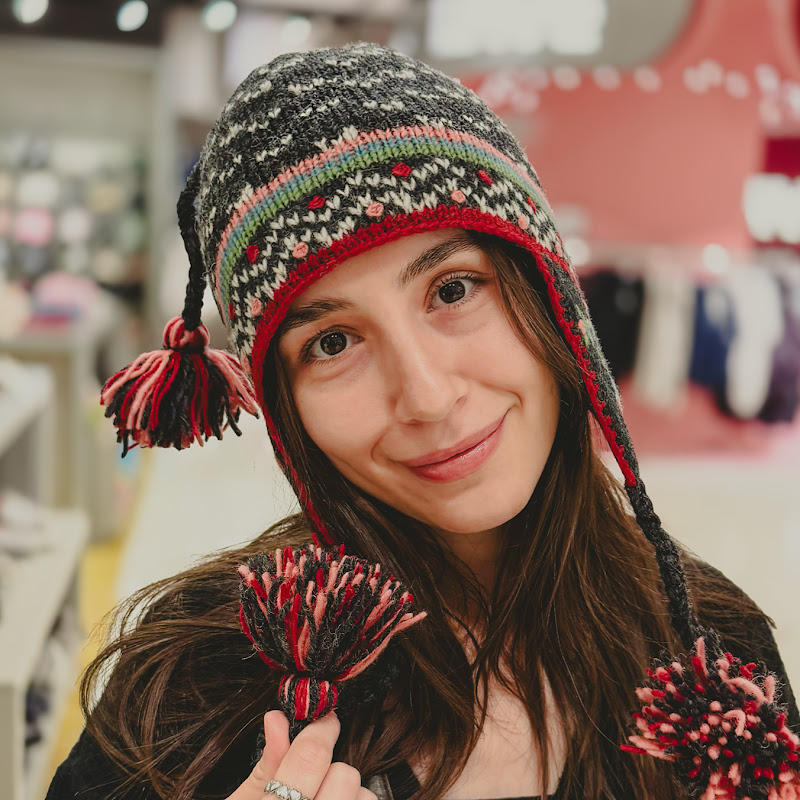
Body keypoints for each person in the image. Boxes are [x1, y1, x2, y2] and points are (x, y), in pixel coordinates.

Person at [47, 42, 798, 800]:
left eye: (453, 290)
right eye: (332, 343)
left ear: (548, 294)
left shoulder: (711, 653)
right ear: (285, 410)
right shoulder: (194, 693)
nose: (429, 398)